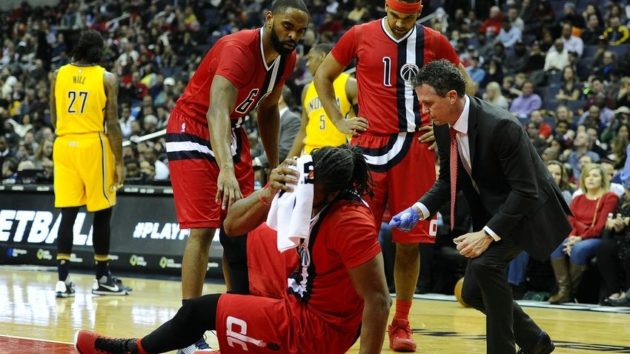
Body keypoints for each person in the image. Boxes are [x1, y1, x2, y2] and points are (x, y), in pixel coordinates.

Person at [74, 145, 391, 354]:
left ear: (335, 193)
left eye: (313, 196)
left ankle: (131, 349)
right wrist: (269, 190)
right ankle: (244, 323)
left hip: (314, 328)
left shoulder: (351, 222)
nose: (304, 202)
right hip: (303, 294)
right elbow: (232, 226)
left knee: (199, 311)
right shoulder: (310, 185)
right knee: (242, 239)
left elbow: (378, 300)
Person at [313, 1, 474, 351]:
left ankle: (401, 321)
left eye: (409, 17)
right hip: (367, 146)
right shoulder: (358, 35)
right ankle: (350, 313)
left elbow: (467, 89)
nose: (401, 24)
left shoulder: (435, 40)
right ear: (385, 7)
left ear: (419, 13)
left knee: (408, 240)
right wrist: (340, 121)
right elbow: (323, 76)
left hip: (415, 146)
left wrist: (446, 126)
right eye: (395, 16)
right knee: (356, 238)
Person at [391, 60, 571, 354]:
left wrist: (486, 233)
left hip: (528, 210)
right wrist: (419, 210)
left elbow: (526, 191)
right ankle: (535, 340)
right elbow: (449, 180)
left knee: (487, 267)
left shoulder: (501, 126)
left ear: (451, 96)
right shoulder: (442, 124)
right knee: (472, 292)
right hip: (498, 211)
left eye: (428, 103)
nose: (424, 111)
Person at [163, 1, 309, 351]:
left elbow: (269, 109)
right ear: (270, 18)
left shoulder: (285, 58)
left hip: (233, 131)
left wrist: (274, 165)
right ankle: (189, 329)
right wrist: (225, 170)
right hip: (194, 126)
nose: (294, 36)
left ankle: (238, 315)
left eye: (301, 31)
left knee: (238, 228)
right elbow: (216, 110)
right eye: (288, 26)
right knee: (202, 229)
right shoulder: (237, 49)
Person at [50, 29, 129, 298]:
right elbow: (113, 123)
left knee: (67, 214)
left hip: (63, 144)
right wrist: (119, 161)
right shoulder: (107, 77)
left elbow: (53, 115)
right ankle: (102, 277)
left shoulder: (57, 75)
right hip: (94, 144)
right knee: (103, 211)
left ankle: (62, 280)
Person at [548, 163, 619, 304]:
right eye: (587, 175)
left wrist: (579, 238)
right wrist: (571, 238)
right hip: (576, 236)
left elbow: (599, 227)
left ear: (602, 179)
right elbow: (570, 222)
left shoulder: (610, 197)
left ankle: (570, 293)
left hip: (596, 238)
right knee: (556, 245)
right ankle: (564, 291)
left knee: (579, 249)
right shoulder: (578, 198)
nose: (590, 179)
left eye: (595, 175)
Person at [287, 43, 357, 158]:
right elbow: (303, 129)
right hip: (310, 154)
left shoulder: (349, 84)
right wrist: (288, 160)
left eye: (310, 59)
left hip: (340, 155)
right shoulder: (307, 89)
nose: (308, 64)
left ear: (322, 56)